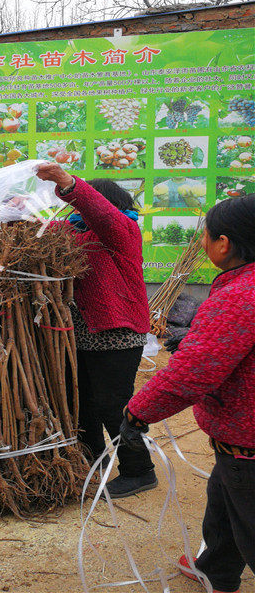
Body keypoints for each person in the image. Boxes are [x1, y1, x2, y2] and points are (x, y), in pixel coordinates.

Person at [121, 194, 255, 593]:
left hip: (247, 439)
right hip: (238, 440)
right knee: (223, 499)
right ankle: (216, 570)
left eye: (207, 236)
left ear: (224, 244)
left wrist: (137, 412)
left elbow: (194, 372)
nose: (203, 243)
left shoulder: (239, 297)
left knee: (245, 508)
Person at [36, 162, 156, 497]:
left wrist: (68, 183)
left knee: (111, 404)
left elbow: (101, 214)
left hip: (118, 335)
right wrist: (17, 208)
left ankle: (139, 470)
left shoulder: (122, 231)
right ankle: (92, 464)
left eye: (83, 202)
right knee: (82, 402)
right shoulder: (73, 232)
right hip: (82, 335)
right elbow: (40, 228)